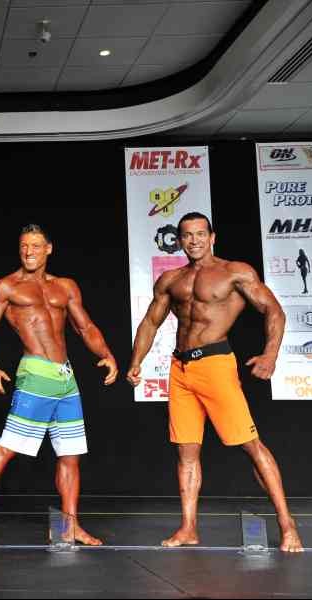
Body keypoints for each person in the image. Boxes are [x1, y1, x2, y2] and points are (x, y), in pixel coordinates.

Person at [127, 211, 302, 552]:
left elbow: (274, 310)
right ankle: (188, 528)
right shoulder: (171, 279)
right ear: (179, 240)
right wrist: (136, 361)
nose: (193, 240)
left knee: (250, 445)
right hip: (180, 369)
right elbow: (150, 321)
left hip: (216, 365)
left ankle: (287, 523)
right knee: (186, 451)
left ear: (212, 237)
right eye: (187, 235)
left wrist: (270, 355)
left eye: (200, 234)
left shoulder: (234, 272)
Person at [0, 224, 117, 545]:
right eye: (24, 246)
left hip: (66, 377)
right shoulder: (7, 287)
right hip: (35, 374)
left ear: (49, 249)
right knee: (8, 448)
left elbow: (85, 326)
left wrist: (106, 354)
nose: (28, 251)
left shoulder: (65, 287)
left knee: (70, 455)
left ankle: (70, 525)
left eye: (35, 246)